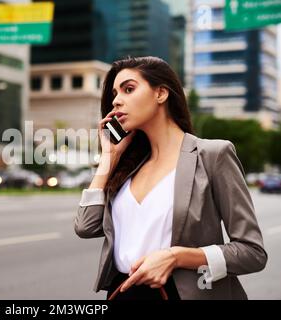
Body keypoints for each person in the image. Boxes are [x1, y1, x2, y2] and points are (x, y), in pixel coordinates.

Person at [74, 56, 267, 300]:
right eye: (114, 93)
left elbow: (252, 252)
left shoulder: (212, 155)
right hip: (122, 293)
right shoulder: (129, 166)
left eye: (129, 89)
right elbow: (85, 226)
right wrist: (108, 159)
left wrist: (176, 257)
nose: (116, 101)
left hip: (180, 294)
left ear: (161, 94)